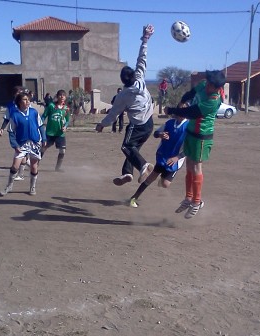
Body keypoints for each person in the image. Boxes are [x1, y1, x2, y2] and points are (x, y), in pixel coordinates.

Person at [95, 24, 156, 186]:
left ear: (122, 81)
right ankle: (127, 173)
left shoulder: (123, 96)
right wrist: (145, 39)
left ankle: (143, 166)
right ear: (134, 75)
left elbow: (113, 114)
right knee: (133, 149)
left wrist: (102, 125)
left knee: (126, 146)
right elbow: (142, 58)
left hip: (138, 125)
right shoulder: (141, 78)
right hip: (149, 123)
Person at [164, 69, 226, 219]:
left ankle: (197, 202)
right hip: (191, 132)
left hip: (202, 137)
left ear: (217, 88)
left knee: (197, 167)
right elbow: (191, 94)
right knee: (189, 166)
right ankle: (189, 198)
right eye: (207, 83)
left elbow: (193, 112)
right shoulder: (205, 84)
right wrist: (182, 101)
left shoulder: (214, 100)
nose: (207, 87)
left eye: (210, 85)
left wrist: (172, 110)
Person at [128, 103, 188, 208]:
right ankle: (134, 197)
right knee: (152, 177)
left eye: (184, 111)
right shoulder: (169, 123)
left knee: (165, 184)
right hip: (162, 155)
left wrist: (177, 157)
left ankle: (163, 178)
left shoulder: (189, 127)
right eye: (180, 110)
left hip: (175, 160)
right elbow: (156, 133)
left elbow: (190, 148)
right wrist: (160, 134)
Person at [0, 92, 46, 196]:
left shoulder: (34, 112)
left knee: (34, 167)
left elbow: (41, 126)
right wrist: (15, 145)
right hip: (21, 144)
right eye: (25, 100)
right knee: (15, 166)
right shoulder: (15, 115)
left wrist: (44, 139)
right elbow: (11, 131)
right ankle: (9, 186)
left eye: (28, 99)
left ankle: (32, 187)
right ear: (19, 102)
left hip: (34, 143)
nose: (28, 101)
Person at [0, 85, 28, 181]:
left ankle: (21, 173)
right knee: (20, 151)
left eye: (21, 92)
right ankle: (25, 167)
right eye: (17, 92)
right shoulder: (10, 105)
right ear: (14, 94)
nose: (19, 94)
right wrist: (2, 128)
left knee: (21, 152)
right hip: (14, 131)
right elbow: (7, 118)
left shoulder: (26, 105)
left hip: (24, 131)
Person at [42, 89, 70, 171]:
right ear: (57, 97)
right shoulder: (51, 106)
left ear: (65, 97)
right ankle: (35, 163)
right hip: (50, 132)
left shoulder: (66, 108)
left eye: (63, 95)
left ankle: (58, 167)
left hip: (60, 133)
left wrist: (65, 127)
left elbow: (67, 120)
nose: (62, 97)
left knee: (62, 151)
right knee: (43, 148)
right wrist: (39, 124)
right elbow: (44, 116)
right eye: (60, 95)